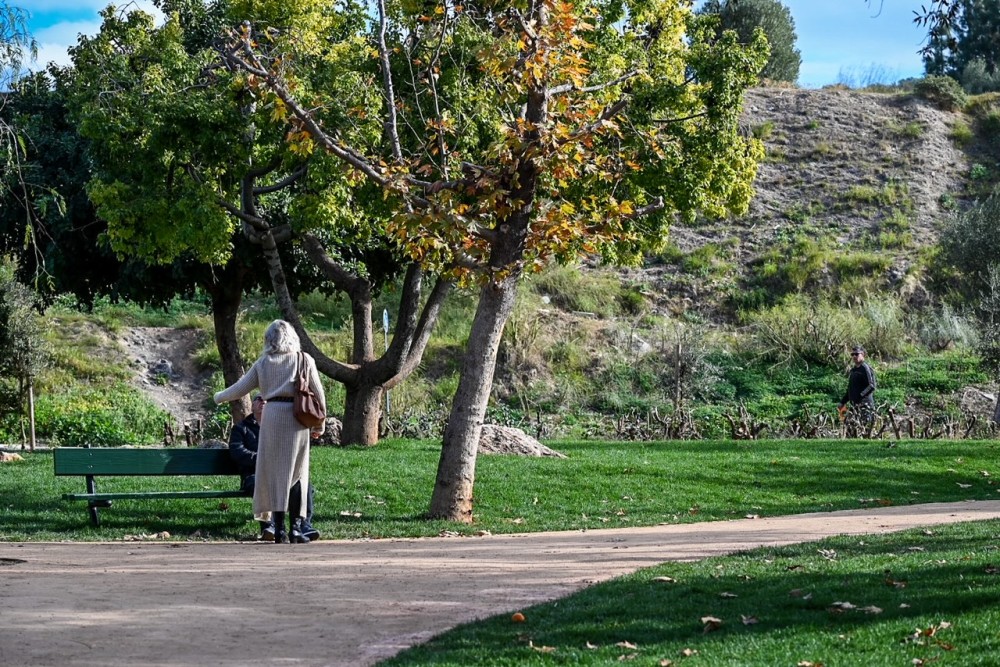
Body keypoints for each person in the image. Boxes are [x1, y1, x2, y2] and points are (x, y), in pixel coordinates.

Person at [215, 320, 326, 544]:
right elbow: (318, 393)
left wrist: (219, 397)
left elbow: (240, 388)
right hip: (297, 417)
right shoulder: (303, 359)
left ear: (269, 339)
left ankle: (279, 530)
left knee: (275, 475)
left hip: (272, 416)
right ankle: (296, 528)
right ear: (292, 337)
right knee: (297, 474)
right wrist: (319, 423)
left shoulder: (263, 363)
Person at [229, 394, 320, 542]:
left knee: (304, 485)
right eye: (258, 399)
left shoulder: (280, 427)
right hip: (254, 474)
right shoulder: (241, 429)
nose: (263, 402)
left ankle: (304, 526)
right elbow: (237, 453)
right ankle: (269, 527)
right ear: (252, 406)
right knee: (262, 483)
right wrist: (264, 459)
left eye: (266, 400)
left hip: (282, 473)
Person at [839, 345, 876, 425]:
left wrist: (860, 396)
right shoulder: (853, 370)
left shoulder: (865, 368)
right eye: (852, 354)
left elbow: (872, 386)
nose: (854, 356)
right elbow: (850, 389)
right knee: (849, 427)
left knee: (864, 428)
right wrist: (842, 402)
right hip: (854, 405)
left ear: (862, 355)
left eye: (857, 354)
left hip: (865, 405)